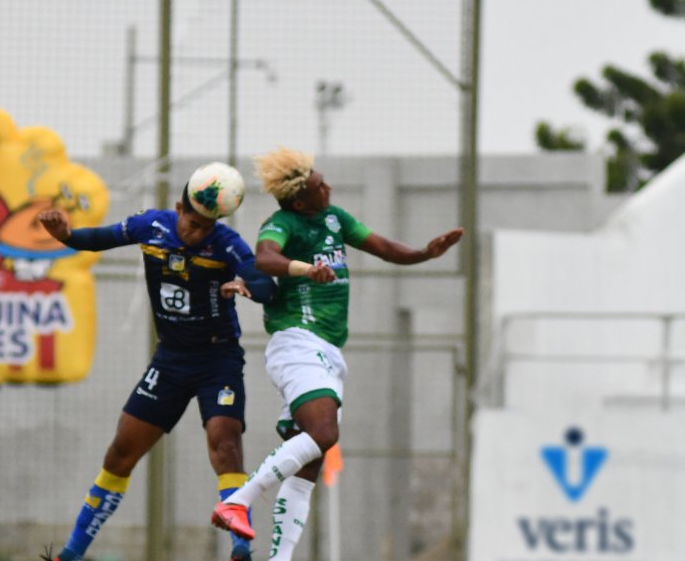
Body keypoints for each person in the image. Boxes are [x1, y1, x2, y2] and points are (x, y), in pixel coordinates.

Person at [210, 147, 463, 559]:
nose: (327, 187)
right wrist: (305, 269)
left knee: (309, 463)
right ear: (299, 199)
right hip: (297, 342)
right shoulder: (281, 223)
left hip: (326, 349)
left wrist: (423, 253)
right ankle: (238, 499)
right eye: (318, 185)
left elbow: (381, 246)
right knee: (324, 434)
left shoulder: (334, 218)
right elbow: (265, 257)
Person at [38, 172, 275, 561]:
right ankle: (71, 554)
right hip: (170, 360)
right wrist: (66, 236)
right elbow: (101, 238)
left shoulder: (226, 245)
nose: (197, 232)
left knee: (225, 442)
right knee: (120, 453)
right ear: (179, 208)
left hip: (218, 360)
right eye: (192, 222)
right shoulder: (152, 226)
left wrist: (248, 287)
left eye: (206, 227)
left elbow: (265, 285)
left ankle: (240, 549)